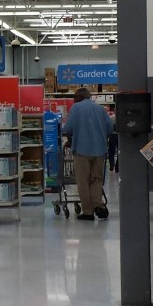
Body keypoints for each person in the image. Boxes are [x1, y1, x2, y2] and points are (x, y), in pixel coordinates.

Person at [62, 87, 113, 221]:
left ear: (78, 97)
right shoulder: (100, 109)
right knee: (97, 179)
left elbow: (68, 128)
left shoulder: (76, 108)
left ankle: (88, 211)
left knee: (83, 181)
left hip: (81, 150)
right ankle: (98, 204)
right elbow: (109, 127)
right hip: (99, 149)